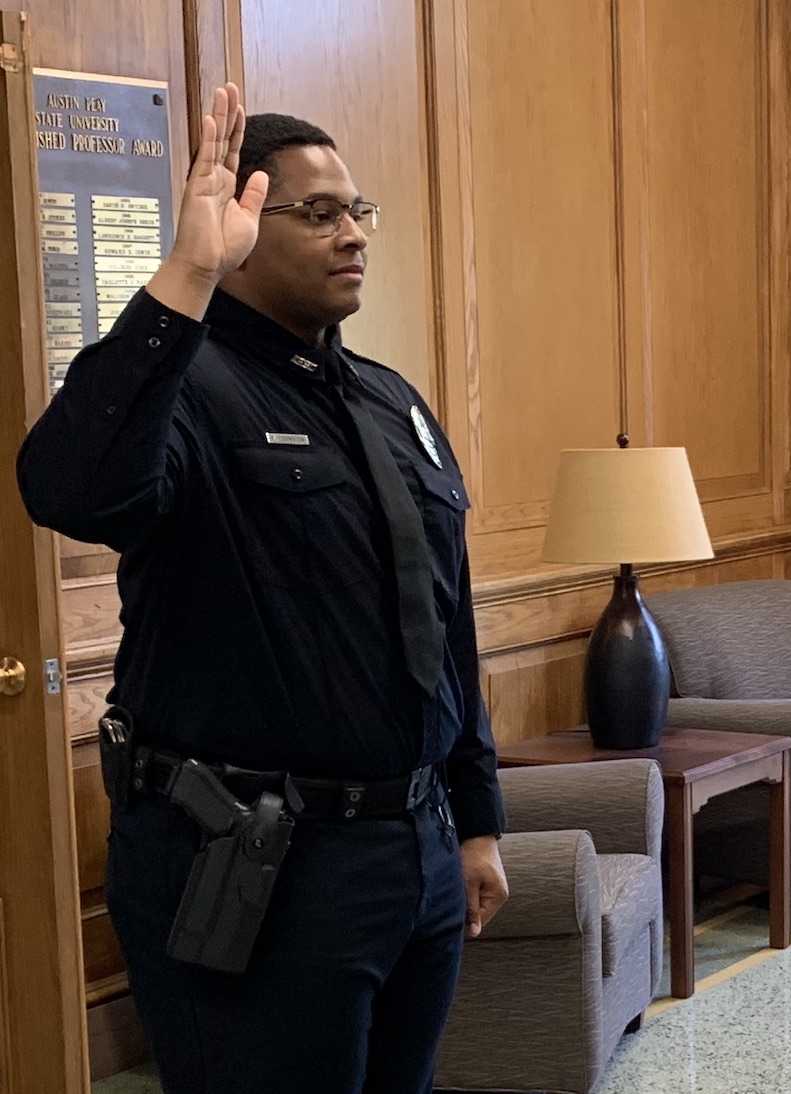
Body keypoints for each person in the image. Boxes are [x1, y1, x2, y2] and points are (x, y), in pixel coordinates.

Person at [16, 85, 508, 1093]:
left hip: (410, 851)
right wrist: (188, 269)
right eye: (316, 213)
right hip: (254, 862)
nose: (349, 234)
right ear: (241, 228)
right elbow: (67, 484)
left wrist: (476, 816)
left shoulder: (390, 400)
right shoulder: (185, 391)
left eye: (357, 212)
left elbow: (443, 625)